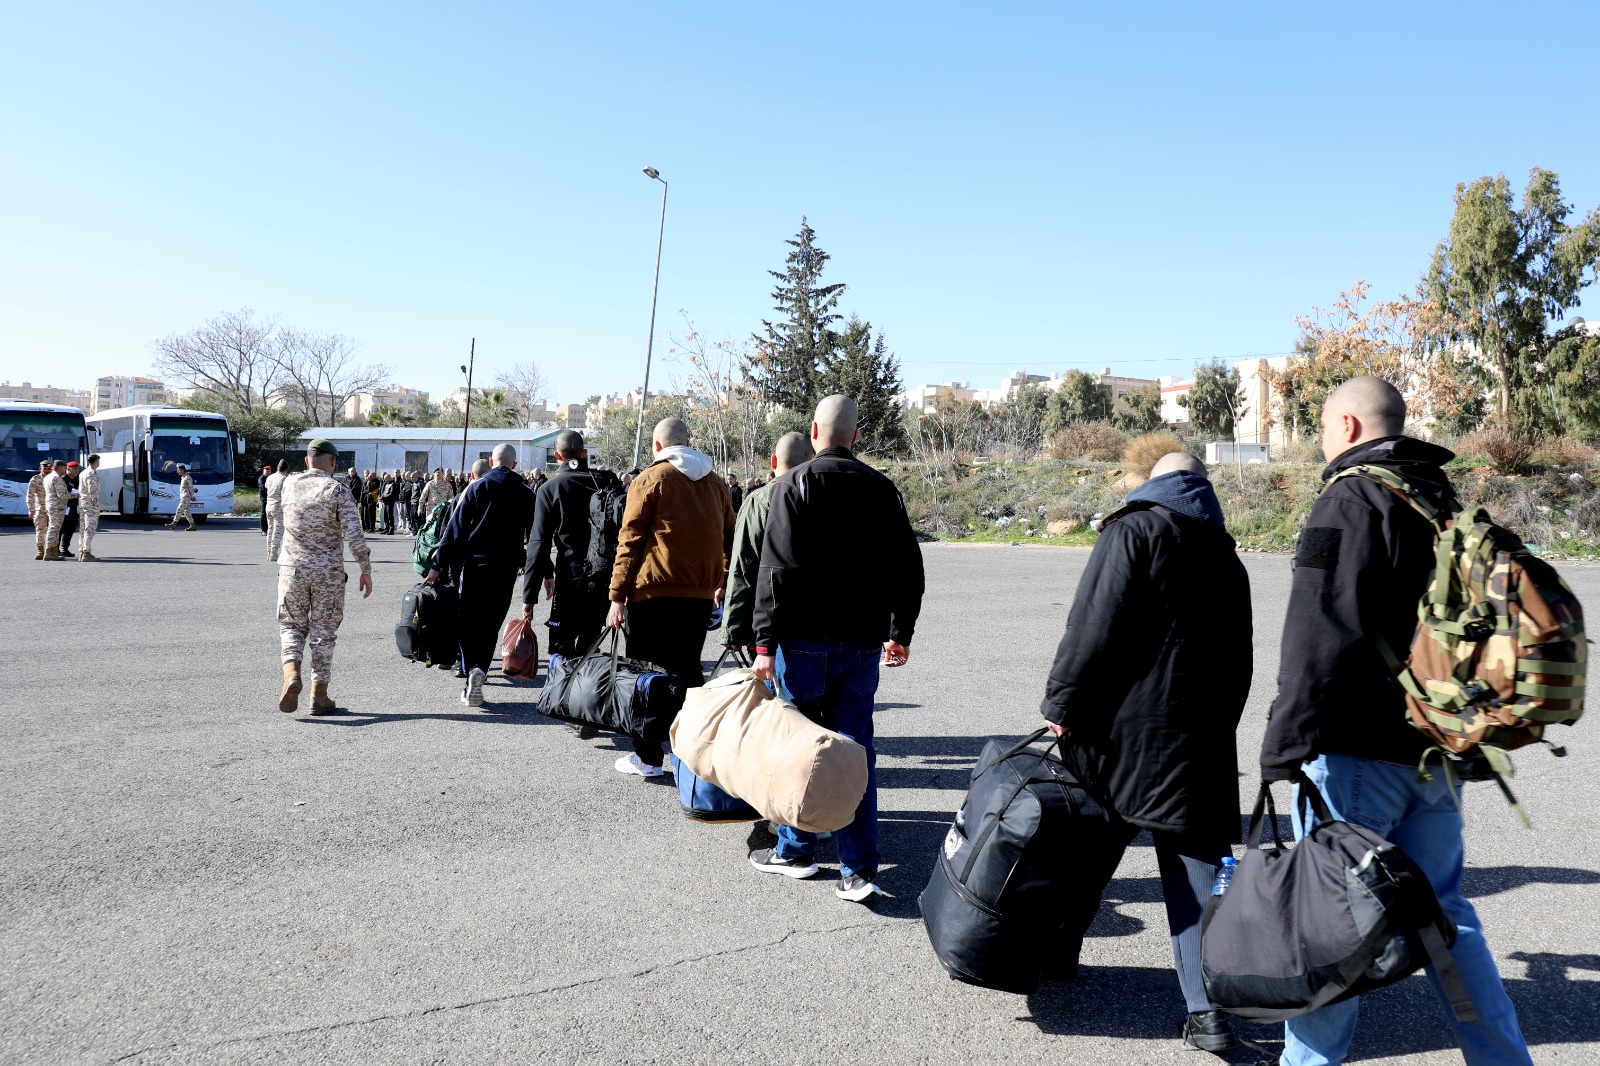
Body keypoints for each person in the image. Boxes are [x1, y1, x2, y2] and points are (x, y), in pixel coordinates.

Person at [1258, 377, 1534, 1066]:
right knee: (1444, 918)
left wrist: (1283, 746)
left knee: (1332, 921)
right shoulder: (1438, 498)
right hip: (1437, 748)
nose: (1321, 441)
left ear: (1349, 426)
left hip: (1357, 752)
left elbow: (1318, 632)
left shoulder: (1350, 497)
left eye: (1323, 427)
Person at [1039, 451, 1252, 1053]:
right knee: (1199, 876)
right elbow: (1240, 658)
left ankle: (1056, 951)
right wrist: (1219, 727)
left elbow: (1092, 625)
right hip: (1197, 740)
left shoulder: (1132, 531)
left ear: (1155, 485)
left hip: (1119, 735)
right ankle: (1208, 1013)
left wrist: (1062, 702)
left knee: (1089, 843)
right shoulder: (1225, 554)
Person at [748, 396, 925, 902]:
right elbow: (908, 569)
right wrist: (900, 631)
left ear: (814, 431)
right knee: (855, 752)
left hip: (802, 641)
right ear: (855, 435)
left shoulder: (792, 486)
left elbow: (775, 572)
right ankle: (859, 869)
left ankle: (796, 851)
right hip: (862, 643)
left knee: (799, 748)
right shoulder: (881, 488)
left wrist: (763, 643)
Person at [606, 417, 735, 778]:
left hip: (652, 593)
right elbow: (731, 537)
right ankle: (690, 757)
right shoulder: (715, 482)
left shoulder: (650, 478)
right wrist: (722, 579)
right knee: (688, 672)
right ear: (688, 443)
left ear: (658, 446)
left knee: (647, 674)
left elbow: (630, 541)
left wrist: (617, 595)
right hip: (699, 595)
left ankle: (648, 757)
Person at [426, 444, 536, 708]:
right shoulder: (526, 493)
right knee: (490, 625)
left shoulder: (477, 488)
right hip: (506, 569)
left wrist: (437, 564)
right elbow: (535, 537)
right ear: (514, 464)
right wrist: (537, 568)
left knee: (468, 621)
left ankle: (471, 670)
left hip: (475, 566)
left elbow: (455, 530)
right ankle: (480, 669)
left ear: (491, 461)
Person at [276, 439, 372, 715]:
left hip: (292, 568)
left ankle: (291, 673)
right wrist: (365, 569)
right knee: (324, 632)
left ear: (307, 461)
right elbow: (354, 536)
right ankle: (318, 696)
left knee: (291, 626)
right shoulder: (337, 490)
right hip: (327, 572)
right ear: (333, 462)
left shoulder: (288, 484)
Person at [523, 430, 622, 662]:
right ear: (585, 453)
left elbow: (539, 544)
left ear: (557, 456)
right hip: (604, 575)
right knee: (590, 648)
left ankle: (561, 684)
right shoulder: (608, 481)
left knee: (561, 648)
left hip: (570, 575)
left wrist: (529, 597)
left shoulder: (550, 488)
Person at [720, 432, 813, 653]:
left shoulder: (759, 500)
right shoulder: (823, 494)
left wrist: (733, 629)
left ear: (773, 460)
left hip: (769, 624)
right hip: (818, 624)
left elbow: (743, 565)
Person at [43, 460, 70, 560]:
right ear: (60, 468)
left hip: (51, 505)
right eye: (65, 468)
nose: (65, 470)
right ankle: (49, 552)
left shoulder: (48, 477)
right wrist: (74, 495)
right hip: (57, 507)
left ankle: (54, 551)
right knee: (53, 528)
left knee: (54, 528)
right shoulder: (57, 478)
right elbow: (62, 495)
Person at [77, 454, 102, 562]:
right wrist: (95, 502)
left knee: (83, 528)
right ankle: (86, 552)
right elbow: (92, 489)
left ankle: (82, 551)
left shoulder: (83, 472)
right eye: (98, 461)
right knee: (90, 528)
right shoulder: (91, 473)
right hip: (90, 504)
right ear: (96, 461)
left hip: (83, 503)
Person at [265, 459, 291, 562]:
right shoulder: (284, 479)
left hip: (269, 505)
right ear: (286, 470)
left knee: (270, 529)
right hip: (278, 506)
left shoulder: (270, 477)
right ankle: (274, 552)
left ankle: (268, 551)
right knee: (278, 530)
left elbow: (266, 487)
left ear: (277, 468)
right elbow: (286, 493)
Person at [27, 459, 50, 560]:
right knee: (40, 530)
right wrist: (31, 509)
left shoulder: (54, 478)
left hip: (53, 508)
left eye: (49, 468)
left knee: (53, 530)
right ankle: (40, 550)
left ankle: (51, 550)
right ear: (40, 469)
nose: (47, 470)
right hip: (40, 508)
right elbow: (30, 494)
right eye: (45, 468)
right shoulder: (35, 479)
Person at [58, 461, 81, 557]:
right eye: (74, 468)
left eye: (77, 469)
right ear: (68, 469)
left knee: (71, 528)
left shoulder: (76, 480)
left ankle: (65, 548)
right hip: (64, 507)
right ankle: (56, 549)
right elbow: (61, 494)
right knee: (61, 528)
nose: (76, 470)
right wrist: (74, 494)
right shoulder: (63, 479)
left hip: (74, 507)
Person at [166, 465, 196, 531]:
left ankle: (174, 523)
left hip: (186, 497)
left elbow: (191, 488)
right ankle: (192, 525)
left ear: (183, 470)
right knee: (187, 512)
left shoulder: (187, 477)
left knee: (179, 509)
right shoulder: (183, 477)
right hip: (183, 496)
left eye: (179, 470)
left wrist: (192, 496)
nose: (178, 471)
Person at [257, 465, 272, 535]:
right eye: (266, 471)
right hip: (264, 499)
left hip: (271, 498)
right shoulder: (261, 478)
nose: (268, 472)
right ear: (263, 471)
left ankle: (270, 529)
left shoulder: (271, 478)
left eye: (269, 471)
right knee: (263, 513)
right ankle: (263, 530)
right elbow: (263, 487)